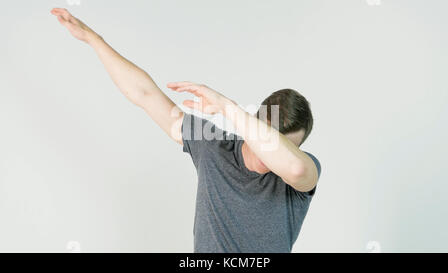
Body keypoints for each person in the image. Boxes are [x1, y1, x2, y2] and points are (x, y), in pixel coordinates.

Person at [51, 8, 322, 253]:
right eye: (267, 136)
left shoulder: (301, 175)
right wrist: (92, 38)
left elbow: (297, 169)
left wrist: (227, 106)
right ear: (254, 123)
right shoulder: (213, 145)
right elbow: (145, 94)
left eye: (285, 147)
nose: (269, 155)